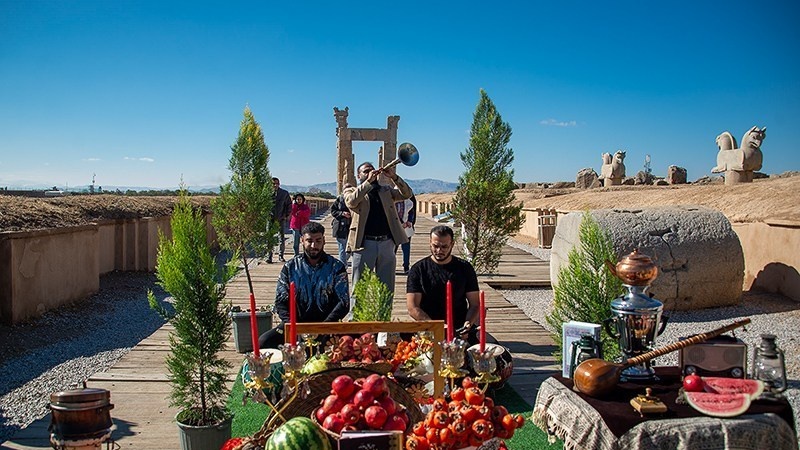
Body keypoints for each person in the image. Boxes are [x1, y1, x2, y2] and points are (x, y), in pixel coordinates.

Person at [258, 222, 349, 349]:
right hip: (295, 324)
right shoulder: (290, 267)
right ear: (302, 240)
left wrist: (323, 327)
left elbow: (343, 303)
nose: (314, 245)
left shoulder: (336, 267)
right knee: (264, 342)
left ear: (324, 240)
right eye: (309, 241)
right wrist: (293, 326)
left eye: (318, 241)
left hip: (327, 325)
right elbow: (281, 301)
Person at [406, 225, 497, 346]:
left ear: (452, 244)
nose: (439, 250)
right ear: (430, 243)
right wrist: (435, 326)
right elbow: (413, 307)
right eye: (435, 246)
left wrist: (468, 323)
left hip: (459, 329)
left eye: (444, 247)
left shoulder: (465, 268)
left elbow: (475, 304)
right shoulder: (418, 269)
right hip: (429, 328)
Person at [344, 162, 413, 297]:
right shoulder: (351, 190)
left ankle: (384, 311)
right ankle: (357, 312)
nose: (371, 172)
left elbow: (407, 194)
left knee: (386, 289)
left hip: (386, 243)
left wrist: (394, 177)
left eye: (372, 170)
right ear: (359, 176)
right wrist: (368, 182)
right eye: (366, 171)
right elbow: (351, 201)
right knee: (359, 289)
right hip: (363, 244)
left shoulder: (386, 191)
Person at [267, 177, 292, 263]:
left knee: (281, 237)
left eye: (277, 183)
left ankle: (281, 255)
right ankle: (269, 256)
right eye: (273, 184)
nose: (275, 185)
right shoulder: (267, 193)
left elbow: (289, 204)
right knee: (269, 237)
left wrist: (286, 215)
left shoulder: (284, 193)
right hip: (270, 218)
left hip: (281, 218)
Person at [330, 183, 353, 266]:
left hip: (351, 227)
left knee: (351, 248)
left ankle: (343, 261)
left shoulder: (355, 199)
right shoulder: (339, 199)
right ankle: (343, 266)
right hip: (340, 227)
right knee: (342, 248)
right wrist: (342, 213)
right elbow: (333, 211)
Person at [395, 194, 417, 274]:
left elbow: (412, 210)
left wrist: (410, 221)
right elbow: (393, 212)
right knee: (393, 249)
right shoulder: (393, 198)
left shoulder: (409, 199)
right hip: (395, 228)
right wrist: (401, 222)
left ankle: (406, 266)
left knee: (406, 248)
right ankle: (391, 265)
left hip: (407, 228)